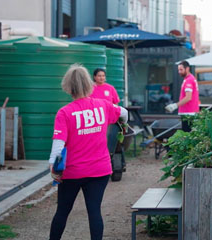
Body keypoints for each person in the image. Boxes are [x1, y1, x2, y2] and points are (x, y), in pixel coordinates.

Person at [48, 64, 128, 240]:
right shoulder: (103, 106)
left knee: (62, 212)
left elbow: (57, 148)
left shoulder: (64, 113)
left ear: (68, 87)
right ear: (89, 84)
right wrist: (122, 126)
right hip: (100, 170)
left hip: (73, 171)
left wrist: (54, 171)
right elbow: (123, 112)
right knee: (94, 212)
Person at [165, 61, 199, 132]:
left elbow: (188, 97)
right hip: (189, 112)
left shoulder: (189, 80)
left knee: (187, 135)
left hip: (188, 112)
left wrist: (175, 105)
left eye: (181, 70)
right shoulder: (188, 79)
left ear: (187, 69)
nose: (179, 72)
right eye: (178, 70)